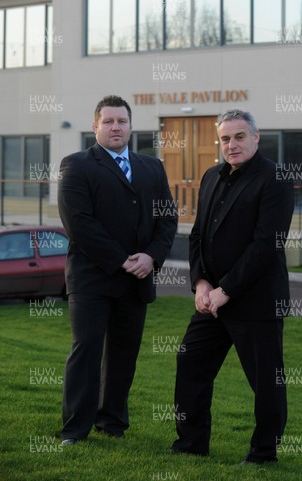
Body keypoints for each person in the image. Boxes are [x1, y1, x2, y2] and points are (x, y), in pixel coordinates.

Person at [170, 109, 294, 465]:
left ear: (256, 137)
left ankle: (263, 454)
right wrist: (201, 283)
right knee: (190, 363)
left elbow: (266, 244)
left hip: (255, 301)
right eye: (225, 138)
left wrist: (227, 290)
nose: (232, 144)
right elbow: (197, 236)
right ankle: (192, 443)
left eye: (240, 136)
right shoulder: (211, 176)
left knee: (265, 381)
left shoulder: (275, 178)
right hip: (211, 300)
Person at [58, 95, 177, 444]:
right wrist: (122, 259)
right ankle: (75, 429)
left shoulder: (152, 167)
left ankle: (112, 423)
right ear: (95, 126)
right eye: (108, 121)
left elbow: (168, 218)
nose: (115, 127)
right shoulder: (76, 165)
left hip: (136, 279)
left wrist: (150, 258)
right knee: (87, 350)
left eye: (121, 121)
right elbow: (79, 223)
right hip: (92, 278)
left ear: (130, 125)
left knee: (124, 355)